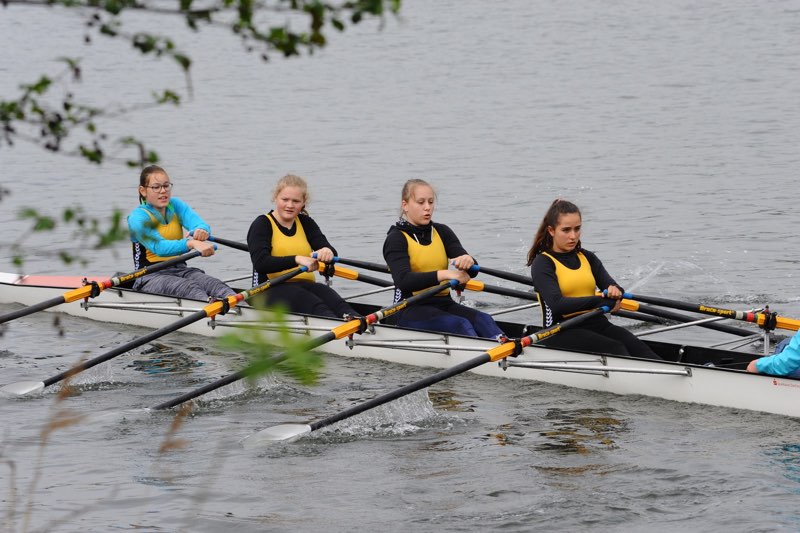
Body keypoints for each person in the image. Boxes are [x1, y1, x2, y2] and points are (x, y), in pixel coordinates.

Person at [527, 198, 661, 360]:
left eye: (577, 229)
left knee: (640, 348)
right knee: (615, 348)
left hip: (595, 322)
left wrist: (615, 291)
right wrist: (600, 301)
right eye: (566, 230)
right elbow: (557, 305)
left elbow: (614, 287)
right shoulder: (543, 263)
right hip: (559, 329)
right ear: (551, 230)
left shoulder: (587, 257)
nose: (573, 236)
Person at [382, 179, 505, 339]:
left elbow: (471, 270)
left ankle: (507, 348)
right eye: (421, 202)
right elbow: (404, 281)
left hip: (443, 303)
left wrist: (468, 261)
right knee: (460, 324)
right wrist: (446, 274)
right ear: (405, 205)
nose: (427, 207)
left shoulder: (442, 231)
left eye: (431, 202)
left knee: (484, 320)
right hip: (409, 308)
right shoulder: (396, 239)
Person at [246, 174, 357, 319]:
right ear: (275, 198)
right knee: (316, 305)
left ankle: (359, 322)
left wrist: (327, 251)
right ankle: (335, 325)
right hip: (268, 290)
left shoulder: (305, 222)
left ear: (303, 203)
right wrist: (297, 259)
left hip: (303, 286)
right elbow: (261, 263)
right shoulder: (262, 224)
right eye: (285, 199)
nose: (290, 205)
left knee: (336, 301)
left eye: (296, 201)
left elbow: (328, 249)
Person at [127, 165, 236, 301]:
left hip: (181, 269)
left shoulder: (175, 205)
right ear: (143, 191)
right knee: (190, 288)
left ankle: (240, 307)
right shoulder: (137, 218)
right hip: (149, 276)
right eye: (156, 187)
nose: (163, 191)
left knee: (216, 286)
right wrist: (191, 243)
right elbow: (159, 248)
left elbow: (200, 224)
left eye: (166, 186)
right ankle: (209, 307)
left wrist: (201, 230)